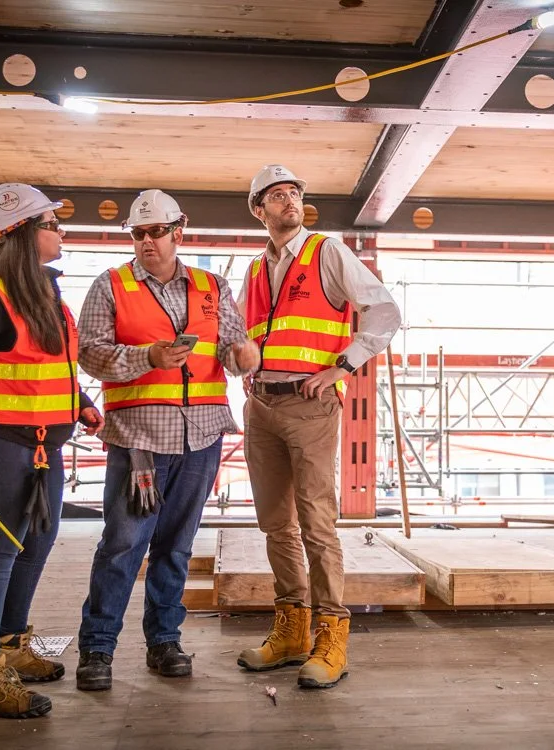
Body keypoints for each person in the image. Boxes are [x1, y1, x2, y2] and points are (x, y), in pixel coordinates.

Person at [74, 190, 259, 691]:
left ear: (179, 230)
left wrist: (246, 359)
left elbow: (234, 350)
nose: (147, 242)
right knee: (122, 544)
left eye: (156, 232)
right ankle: (97, 649)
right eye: (138, 234)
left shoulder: (211, 286)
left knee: (176, 547)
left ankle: (164, 641)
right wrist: (147, 358)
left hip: (201, 436)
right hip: (139, 438)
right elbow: (89, 355)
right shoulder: (110, 286)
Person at [0, 183, 102, 719]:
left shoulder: (44, 291)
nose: (60, 231)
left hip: (44, 446)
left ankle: (10, 644)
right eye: (52, 223)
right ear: (24, 232)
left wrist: (79, 403)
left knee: (37, 542)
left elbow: (46, 363)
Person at [235, 164, 401, 689]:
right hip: (261, 406)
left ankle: (331, 636)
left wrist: (344, 364)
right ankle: (290, 630)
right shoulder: (255, 269)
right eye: (277, 195)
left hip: (310, 405)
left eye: (295, 193)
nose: (289, 201)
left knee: (316, 522)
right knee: (275, 523)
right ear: (259, 210)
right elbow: (247, 333)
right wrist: (244, 365)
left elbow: (384, 310)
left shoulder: (326, 251)